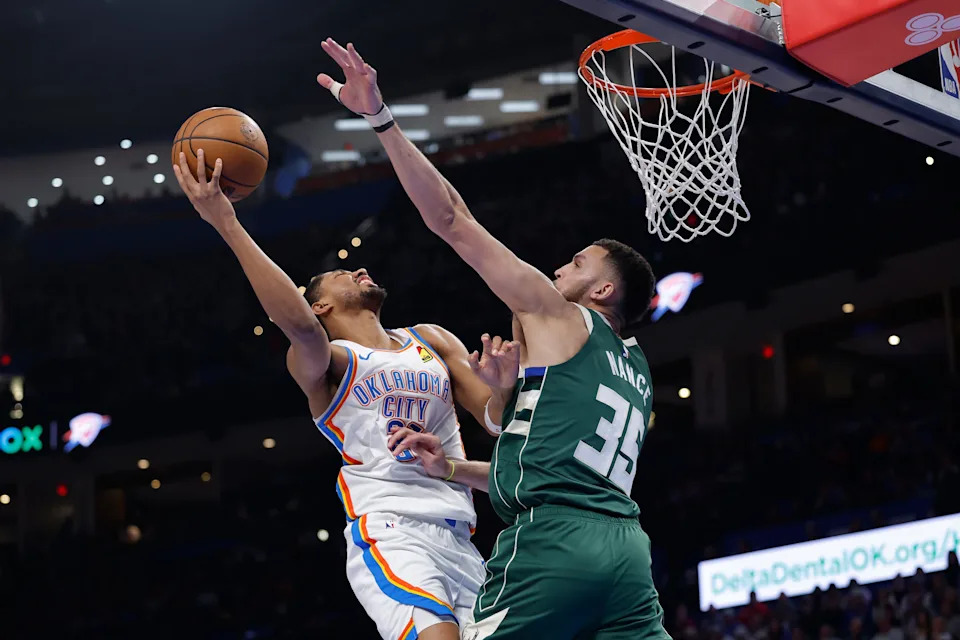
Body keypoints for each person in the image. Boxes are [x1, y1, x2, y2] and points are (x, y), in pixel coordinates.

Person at [318, 38, 668, 639]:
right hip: (628, 555)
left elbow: (451, 219)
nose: (562, 267)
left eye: (579, 262)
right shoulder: (636, 368)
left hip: (555, 545)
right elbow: (546, 463)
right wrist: (453, 466)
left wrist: (380, 118)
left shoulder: (558, 315)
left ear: (603, 292)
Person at [172, 151, 494, 640]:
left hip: (460, 533)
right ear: (320, 302)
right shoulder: (332, 362)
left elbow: (495, 419)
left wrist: (507, 381)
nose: (357, 268)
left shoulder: (433, 339)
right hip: (390, 528)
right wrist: (224, 219)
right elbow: (298, 325)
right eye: (339, 274)